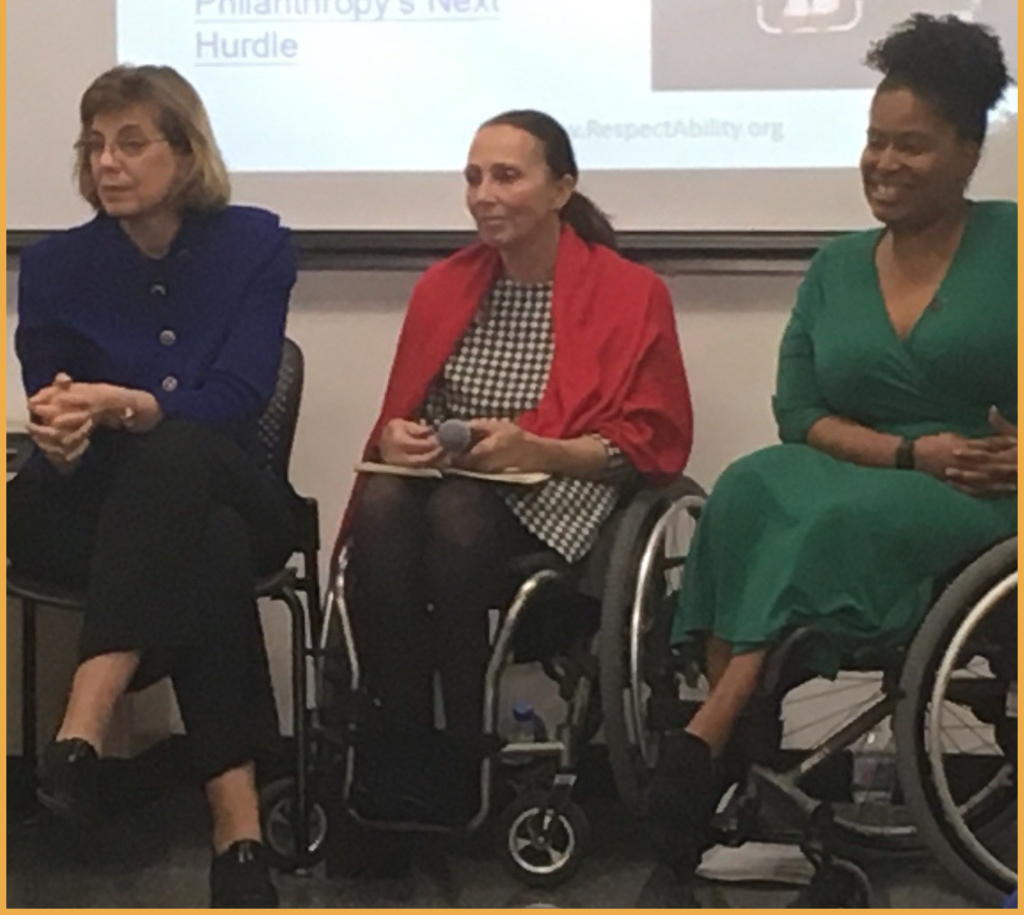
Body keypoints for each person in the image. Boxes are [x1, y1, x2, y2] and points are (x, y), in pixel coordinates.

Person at [651, 13, 1017, 899]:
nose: (883, 164)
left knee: (832, 515)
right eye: (873, 141)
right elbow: (798, 412)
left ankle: (708, 745)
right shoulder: (837, 264)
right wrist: (905, 451)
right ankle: (735, 735)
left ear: (969, 153)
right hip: (883, 464)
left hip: (982, 493)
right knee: (745, 487)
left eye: (912, 147)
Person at [338, 109, 693, 848]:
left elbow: (649, 444)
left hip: (562, 481)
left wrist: (540, 449)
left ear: (561, 187)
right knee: (382, 505)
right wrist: (401, 436)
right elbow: (413, 408)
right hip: (456, 474)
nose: (484, 193)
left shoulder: (630, 292)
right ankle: (400, 736)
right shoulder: (446, 285)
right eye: (474, 176)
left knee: (457, 512)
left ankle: (465, 740)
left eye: (506, 175)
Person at [8, 65, 297, 908]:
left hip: (231, 476)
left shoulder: (256, 245)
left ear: (185, 151)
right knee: (207, 544)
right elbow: (52, 399)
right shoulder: (58, 263)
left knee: (178, 453)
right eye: (95, 144)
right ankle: (236, 834)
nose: (108, 162)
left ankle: (84, 719)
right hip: (89, 502)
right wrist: (61, 436)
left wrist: (133, 406)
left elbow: (238, 398)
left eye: (131, 142)